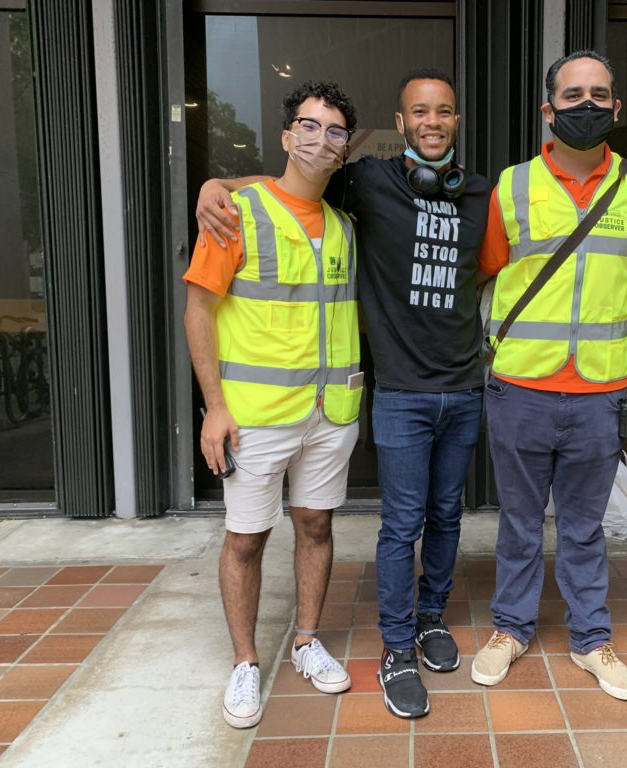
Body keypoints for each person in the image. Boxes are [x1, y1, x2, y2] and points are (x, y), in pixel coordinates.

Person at [196, 69, 490, 719]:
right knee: (263, 536)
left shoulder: (372, 218)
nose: (433, 120)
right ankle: (265, 659)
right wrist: (216, 184)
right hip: (288, 411)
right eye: (420, 110)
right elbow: (204, 301)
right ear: (402, 122)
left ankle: (343, 633)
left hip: (359, 407)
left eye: (445, 110)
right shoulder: (306, 198)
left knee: (349, 524)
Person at [473, 50, 627, 701]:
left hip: (598, 393)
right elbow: (487, 276)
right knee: (520, 520)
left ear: (616, 107)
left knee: (584, 527)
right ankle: (511, 628)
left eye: (599, 94)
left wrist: (626, 366)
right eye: (572, 95)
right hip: (521, 386)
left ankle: (590, 639)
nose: (587, 104)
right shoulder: (513, 186)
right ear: (549, 110)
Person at [183, 80, 361, 729]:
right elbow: (198, 309)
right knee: (246, 538)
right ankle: (245, 661)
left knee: (316, 525)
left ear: (345, 147)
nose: (320, 139)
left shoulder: (344, 226)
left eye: (334, 130)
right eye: (307, 127)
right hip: (254, 415)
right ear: (287, 137)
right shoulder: (238, 211)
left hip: (329, 413)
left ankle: (307, 641)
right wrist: (213, 406)